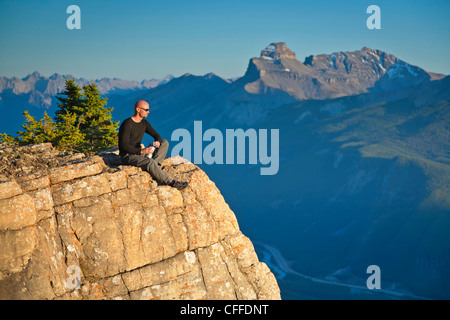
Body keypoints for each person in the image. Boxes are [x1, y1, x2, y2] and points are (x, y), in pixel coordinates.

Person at [118, 100, 188, 190]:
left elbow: (156, 135)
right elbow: (124, 146)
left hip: (138, 154)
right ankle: (171, 182)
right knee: (149, 162)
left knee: (164, 142)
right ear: (138, 109)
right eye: (146, 110)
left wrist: (157, 141)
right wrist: (142, 151)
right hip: (127, 156)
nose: (148, 112)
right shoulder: (127, 124)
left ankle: (155, 167)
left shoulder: (144, 123)